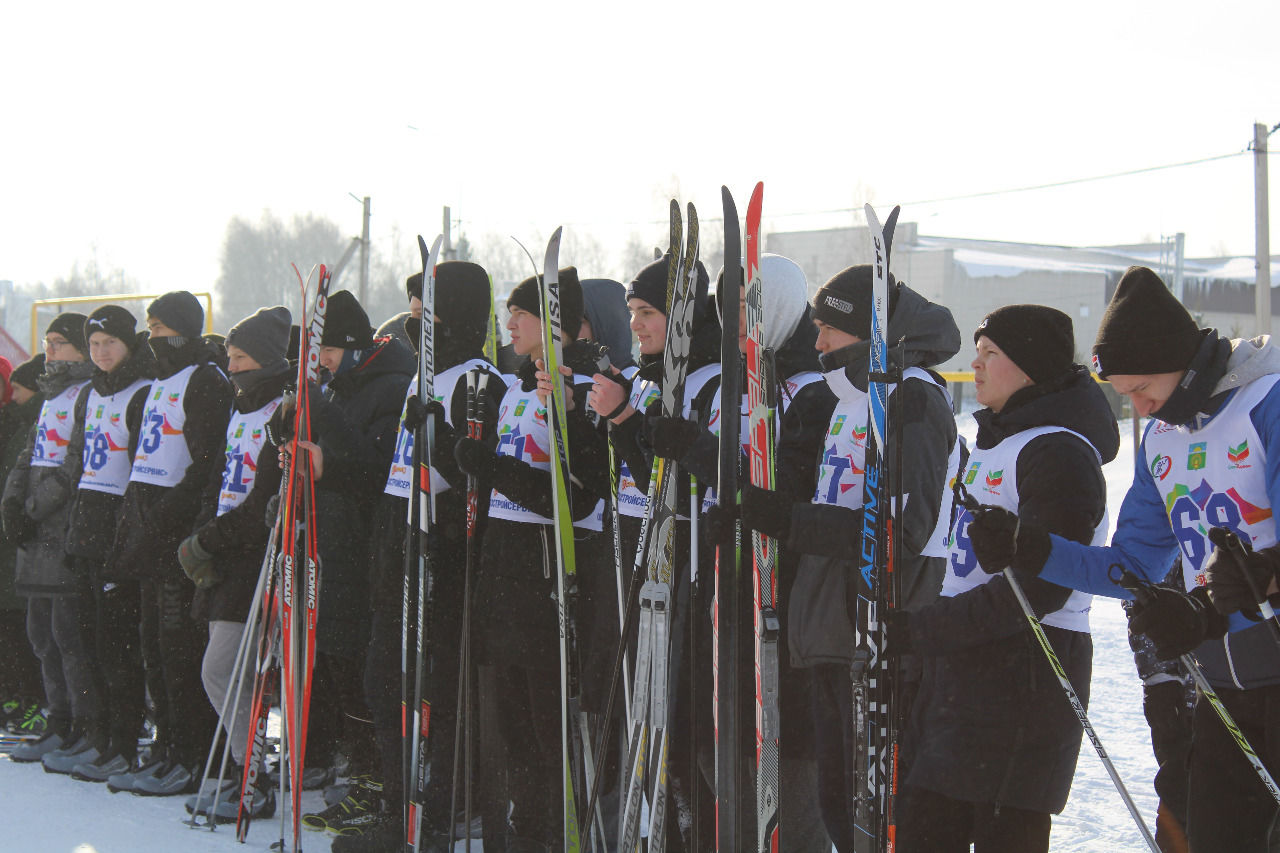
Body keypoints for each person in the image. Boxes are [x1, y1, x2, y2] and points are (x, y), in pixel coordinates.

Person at [974, 266, 1280, 853]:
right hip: (1225, 686)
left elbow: (1252, 578)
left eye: (1142, 390)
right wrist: (1029, 547)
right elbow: (1132, 566)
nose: (1139, 409)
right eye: (1126, 397)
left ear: (1183, 364)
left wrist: (1251, 583)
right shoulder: (1162, 439)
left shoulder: (1265, 404)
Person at [889, 304, 1118, 852]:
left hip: (1026, 677)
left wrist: (925, 629)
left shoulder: (1058, 452)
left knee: (1002, 832)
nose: (977, 363)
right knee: (923, 827)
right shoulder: (999, 440)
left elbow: (1037, 589)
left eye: (992, 354)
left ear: (1031, 368)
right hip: (962, 675)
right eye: (979, 350)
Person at [753, 265, 960, 851]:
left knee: (871, 810)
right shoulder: (850, 396)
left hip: (876, 630)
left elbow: (901, 531)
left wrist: (789, 522)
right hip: (829, 626)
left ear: (866, 333)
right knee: (838, 805)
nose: (816, 343)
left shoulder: (914, 398)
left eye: (828, 330)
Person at [332, 262, 506, 853]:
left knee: (428, 687)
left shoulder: (477, 380)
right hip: (401, 542)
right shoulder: (424, 375)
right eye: (415, 309)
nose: (415, 321)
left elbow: (476, 486)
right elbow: (399, 476)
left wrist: (443, 539)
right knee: (386, 680)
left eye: (428, 311)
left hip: (442, 558)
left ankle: (437, 809)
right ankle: (402, 802)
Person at [453, 266, 611, 851]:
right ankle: (529, 826)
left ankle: (560, 827)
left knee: (551, 722)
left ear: (555, 324)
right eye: (510, 312)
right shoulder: (515, 387)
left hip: (554, 577)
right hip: (506, 573)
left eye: (523, 313)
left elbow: (579, 494)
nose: (509, 323)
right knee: (514, 721)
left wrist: (489, 465)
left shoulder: (583, 383)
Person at [103, 291, 233, 796]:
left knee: (181, 652)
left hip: (177, 534)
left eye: (158, 328)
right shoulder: (156, 384)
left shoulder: (204, 380)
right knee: (155, 648)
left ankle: (194, 754)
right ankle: (168, 747)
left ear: (181, 330)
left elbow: (205, 463)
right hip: (149, 533)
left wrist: (169, 516)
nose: (151, 337)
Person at [175, 305, 292, 821]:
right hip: (229, 556)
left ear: (264, 359)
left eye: (241, 357)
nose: (233, 365)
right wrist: (201, 535)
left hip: (255, 559)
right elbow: (223, 482)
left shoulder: (282, 411)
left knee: (220, 669)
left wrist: (210, 540)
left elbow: (264, 497)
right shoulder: (240, 408)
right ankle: (248, 774)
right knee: (230, 675)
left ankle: (254, 775)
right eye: (230, 355)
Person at [57, 306, 156, 782]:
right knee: (91, 641)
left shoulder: (142, 392)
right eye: (93, 345)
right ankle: (99, 736)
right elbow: (78, 462)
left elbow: (142, 470)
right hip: (89, 528)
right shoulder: (90, 394)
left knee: (120, 646)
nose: (100, 353)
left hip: (122, 530)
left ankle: (125, 740)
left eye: (109, 344)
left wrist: (126, 536)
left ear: (128, 344)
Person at [3, 316, 97, 764]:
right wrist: (13, 502)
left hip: (65, 529)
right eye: (47, 343)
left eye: (59, 344)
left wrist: (33, 508)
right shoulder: (51, 394)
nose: (50, 351)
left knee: (68, 635)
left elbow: (75, 465)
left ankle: (81, 723)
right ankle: (57, 718)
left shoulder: (89, 393)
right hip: (37, 531)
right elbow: (29, 455)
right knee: (40, 632)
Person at [0, 354, 46, 734]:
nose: (12, 396)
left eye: (17, 388)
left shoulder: (29, 422)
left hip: (21, 540)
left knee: (23, 626)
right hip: (14, 538)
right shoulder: (16, 421)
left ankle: (31, 700)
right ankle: (17, 695)